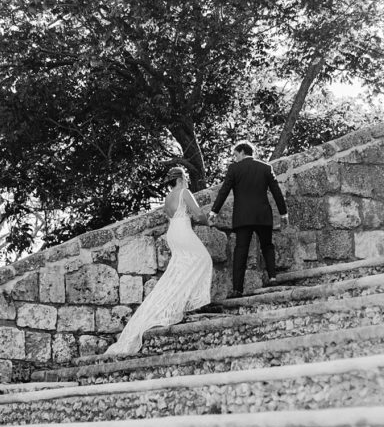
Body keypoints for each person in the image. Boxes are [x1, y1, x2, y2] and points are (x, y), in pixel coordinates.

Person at [104, 166, 213, 355]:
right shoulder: (184, 192)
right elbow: (198, 214)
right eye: (186, 177)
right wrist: (209, 220)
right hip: (184, 232)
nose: (188, 180)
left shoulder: (168, 197)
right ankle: (188, 302)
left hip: (173, 233)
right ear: (180, 179)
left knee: (179, 270)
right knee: (204, 260)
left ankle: (179, 302)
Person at [208, 141, 289, 298]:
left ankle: (237, 289)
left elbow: (224, 191)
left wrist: (214, 212)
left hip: (243, 217)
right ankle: (272, 277)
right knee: (267, 246)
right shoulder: (266, 168)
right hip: (263, 215)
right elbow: (276, 192)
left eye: (236, 155)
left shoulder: (234, 169)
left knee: (241, 251)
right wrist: (283, 213)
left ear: (243, 152)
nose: (235, 159)